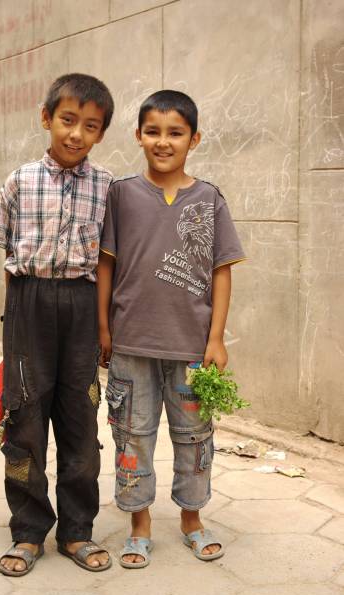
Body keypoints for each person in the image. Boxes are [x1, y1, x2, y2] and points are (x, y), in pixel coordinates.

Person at [97, 90, 246, 568]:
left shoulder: (209, 198)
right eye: (154, 132)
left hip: (190, 349)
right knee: (133, 435)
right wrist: (103, 327)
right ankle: (138, 525)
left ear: (194, 139)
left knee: (194, 435)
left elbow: (222, 268)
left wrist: (216, 337)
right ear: (139, 135)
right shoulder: (120, 195)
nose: (164, 142)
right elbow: (105, 265)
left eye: (175, 133)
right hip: (130, 343)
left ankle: (191, 519)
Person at [0, 73, 114, 576]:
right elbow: (7, 255)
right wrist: (16, 324)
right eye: (67, 120)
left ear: (101, 133)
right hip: (28, 302)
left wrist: (105, 325)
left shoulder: (108, 186)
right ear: (46, 118)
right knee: (25, 418)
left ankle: (77, 530)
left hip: (82, 307)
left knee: (81, 421)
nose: (76, 134)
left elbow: (108, 262)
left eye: (90, 125)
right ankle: (28, 530)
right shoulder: (19, 180)